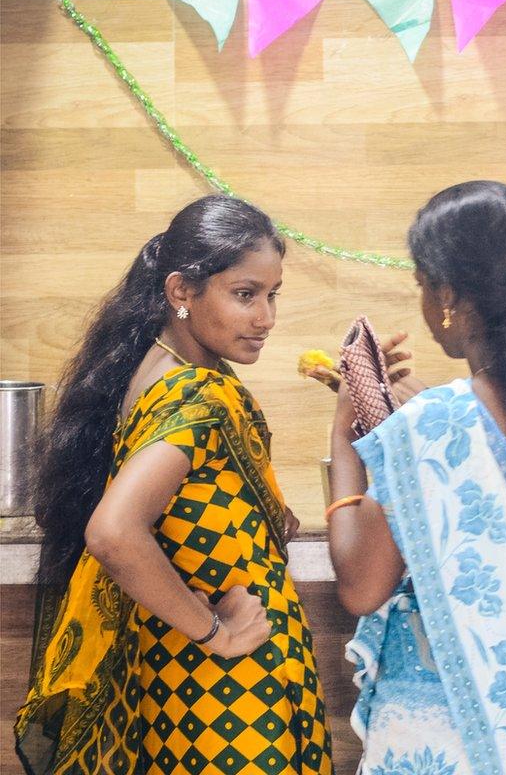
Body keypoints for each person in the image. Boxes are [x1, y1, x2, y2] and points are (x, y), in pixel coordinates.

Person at [15, 196, 332, 775]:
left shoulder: (156, 368)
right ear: (181, 292)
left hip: (177, 677)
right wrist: (217, 632)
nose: (266, 318)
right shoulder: (196, 394)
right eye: (245, 295)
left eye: (271, 294)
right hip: (228, 695)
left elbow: (197, 507)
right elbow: (113, 533)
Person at [325, 181, 506, 774]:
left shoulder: (435, 424)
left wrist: (347, 437)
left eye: (420, 284)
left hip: (443, 732)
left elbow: (362, 587)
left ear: (446, 294)